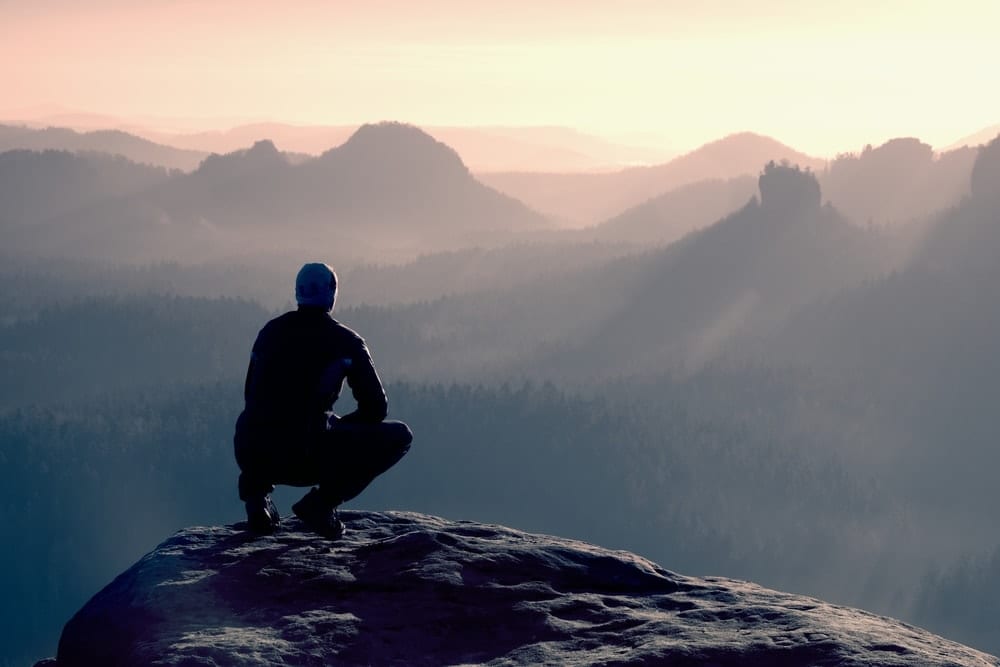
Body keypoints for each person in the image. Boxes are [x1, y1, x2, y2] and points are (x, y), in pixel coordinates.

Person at [233, 262, 412, 538]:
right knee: (400, 436)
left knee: (260, 421)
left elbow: (251, 396)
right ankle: (322, 504)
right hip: (305, 454)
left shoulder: (269, 334)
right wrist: (337, 425)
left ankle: (257, 502)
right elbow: (376, 408)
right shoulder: (346, 342)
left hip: (254, 451)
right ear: (332, 293)